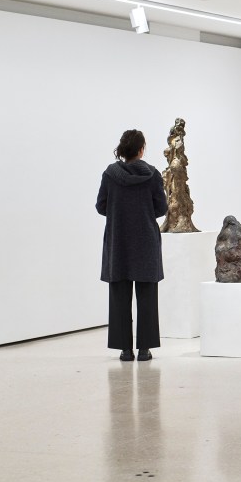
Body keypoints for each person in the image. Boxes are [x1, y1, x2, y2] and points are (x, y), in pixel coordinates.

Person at [96, 130, 168, 361]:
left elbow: (101, 206)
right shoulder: (153, 175)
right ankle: (144, 350)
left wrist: (119, 210)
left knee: (119, 296)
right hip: (145, 241)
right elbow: (161, 208)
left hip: (119, 240)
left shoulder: (110, 174)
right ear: (141, 150)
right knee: (147, 297)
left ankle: (125, 350)